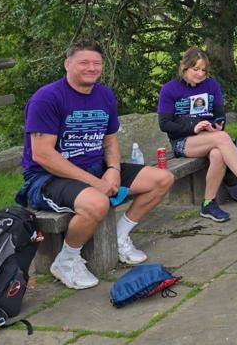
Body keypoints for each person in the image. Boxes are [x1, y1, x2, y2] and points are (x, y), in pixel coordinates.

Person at [16, 40, 174, 289]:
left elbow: (110, 140)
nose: (91, 68)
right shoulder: (47, 98)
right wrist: (96, 183)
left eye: (96, 63)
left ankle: (120, 237)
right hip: (47, 178)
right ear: (67, 64)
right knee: (97, 202)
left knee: (162, 179)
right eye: (84, 62)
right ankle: (66, 261)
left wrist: (112, 171)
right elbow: (43, 155)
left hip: (95, 168)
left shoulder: (104, 95)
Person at [157, 47, 237, 222]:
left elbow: (220, 115)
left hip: (210, 137)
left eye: (203, 70)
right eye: (195, 69)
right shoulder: (170, 89)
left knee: (218, 152)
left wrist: (218, 125)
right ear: (185, 68)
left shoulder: (212, 85)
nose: (200, 74)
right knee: (223, 139)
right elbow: (164, 124)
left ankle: (208, 204)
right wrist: (193, 128)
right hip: (183, 141)